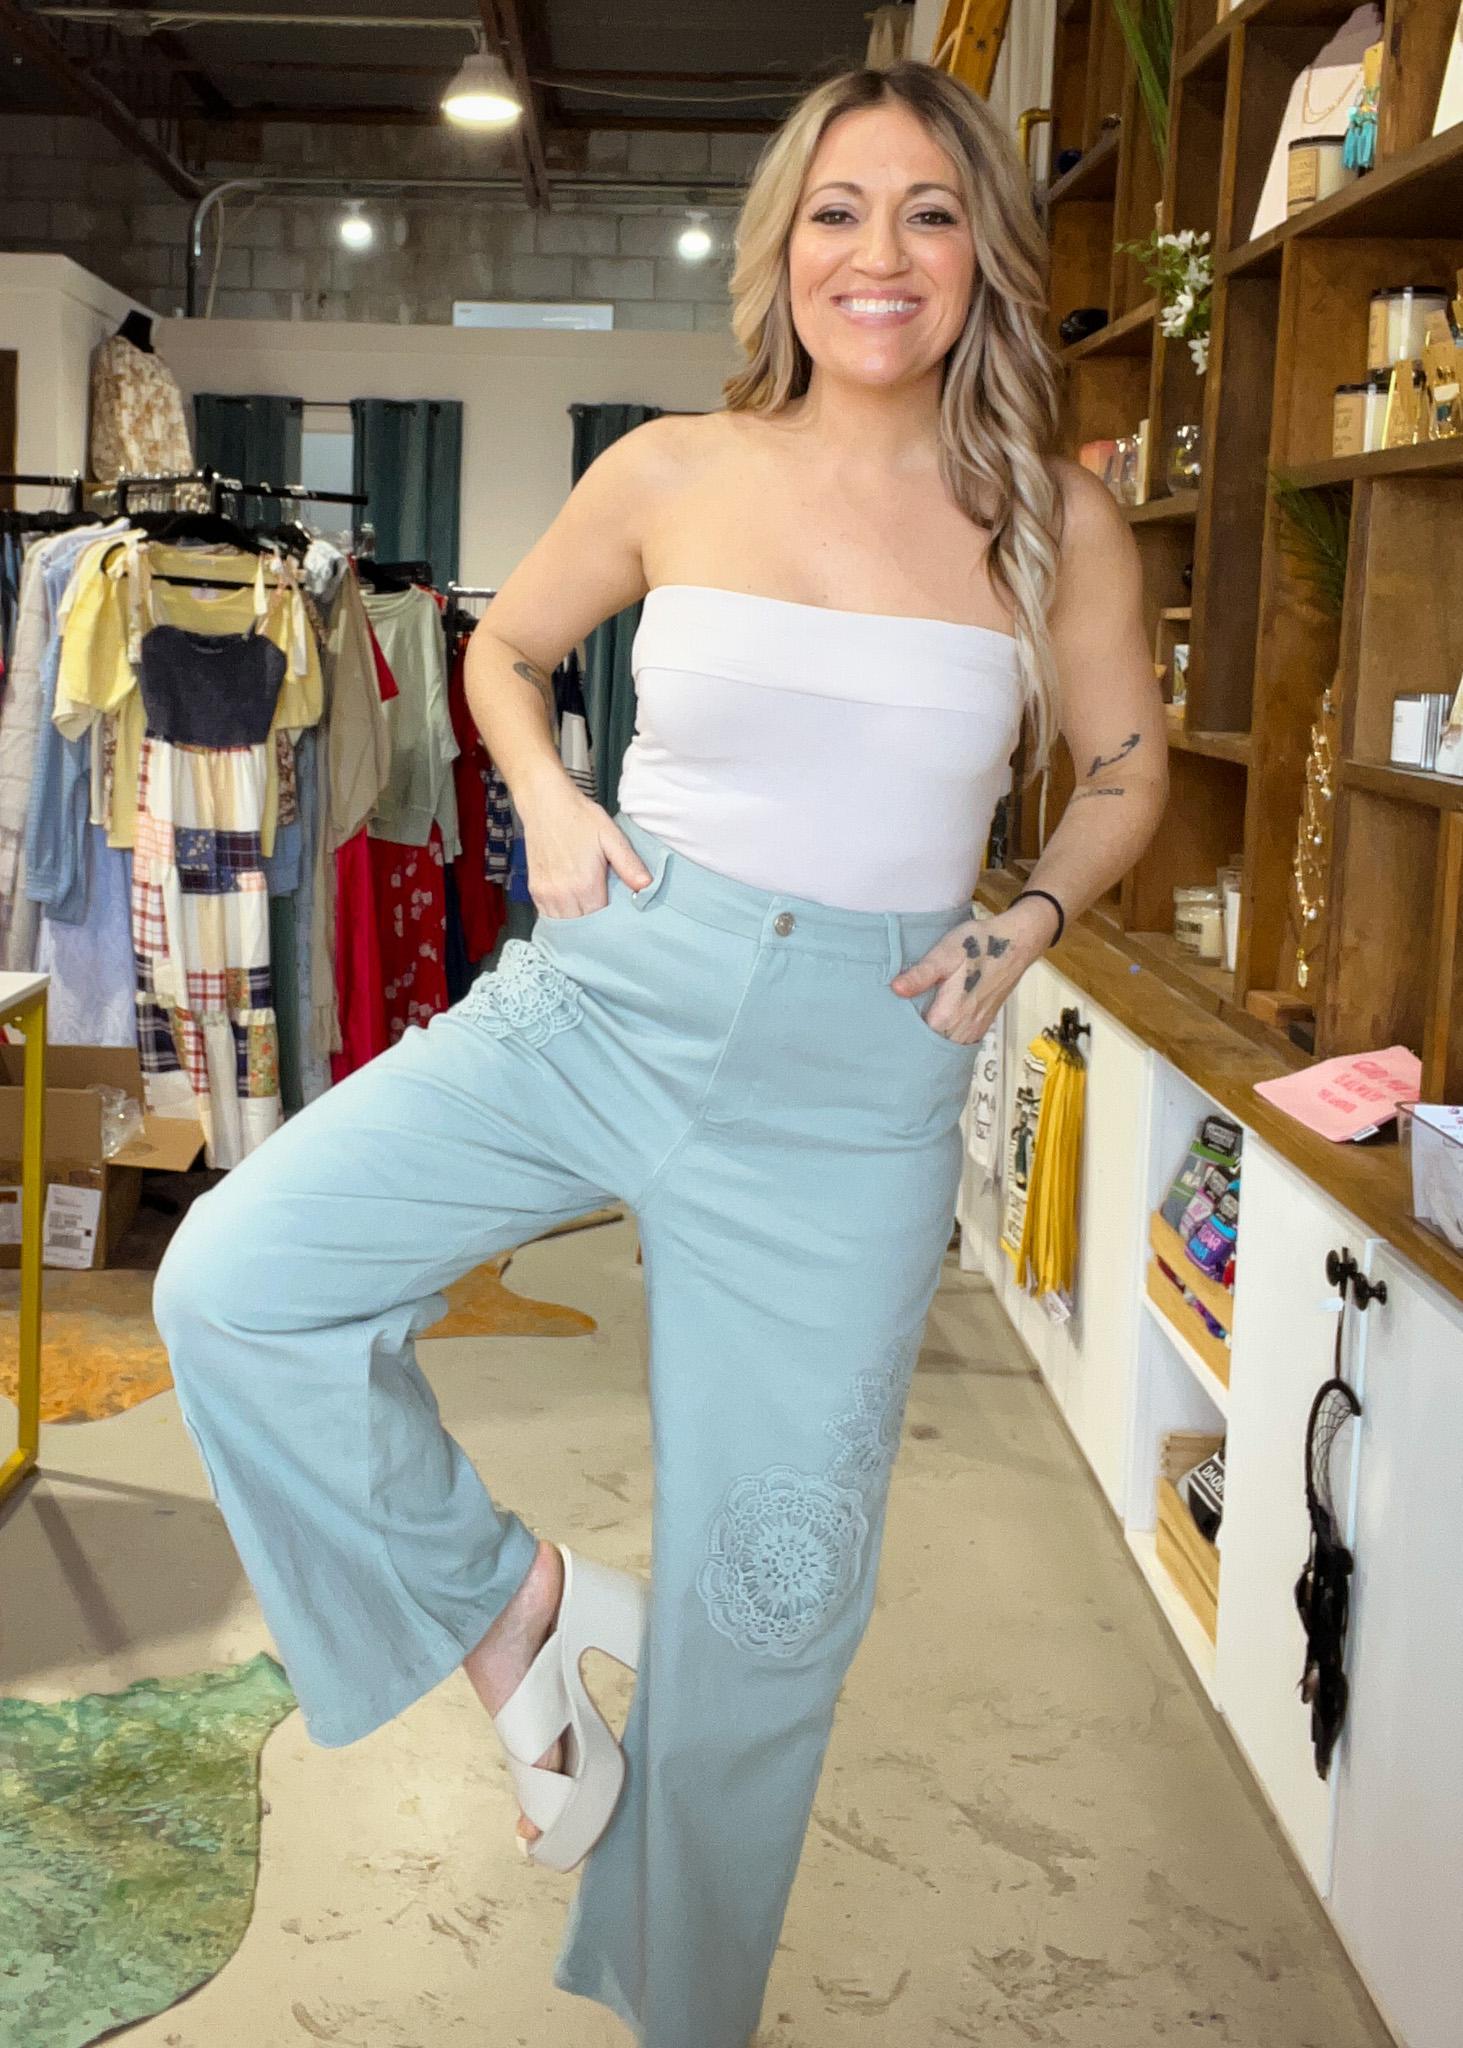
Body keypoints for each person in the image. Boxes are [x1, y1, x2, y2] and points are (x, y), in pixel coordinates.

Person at [153, 57, 1166, 2048]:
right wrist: (542, 791)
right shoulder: (671, 472)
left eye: (931, 212)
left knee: (766, 1617)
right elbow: (502, 649)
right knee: (237, 1283)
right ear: (782, 249)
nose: (882, 255)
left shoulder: (1056, 520)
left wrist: (1033, 912)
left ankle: (679, 2012)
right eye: (840, 212)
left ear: (984, 253)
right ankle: (510, 1607)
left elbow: (1128, 769)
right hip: (619, 988)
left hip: (861, 1074)